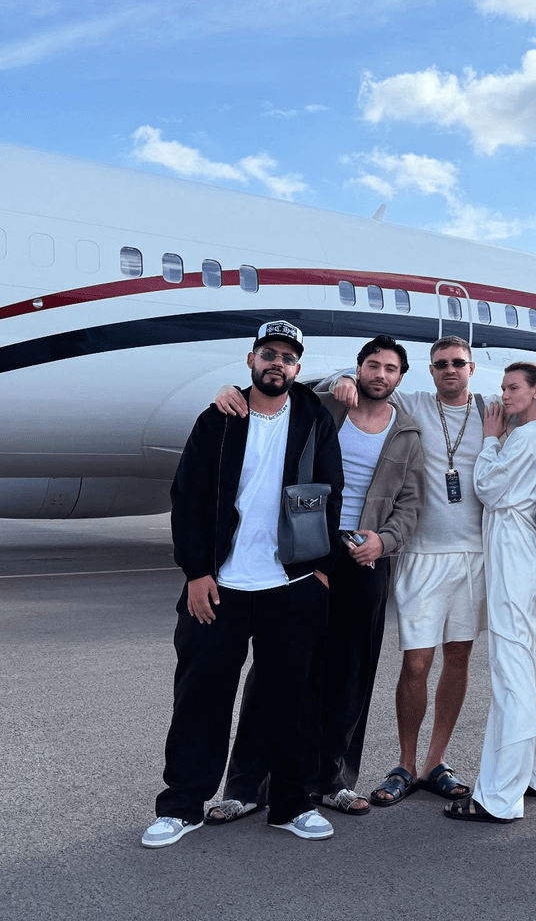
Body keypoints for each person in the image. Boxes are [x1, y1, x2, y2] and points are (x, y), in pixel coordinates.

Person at [327, 336, 536, 807]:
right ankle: (405, 764)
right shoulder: (412, 403)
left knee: (459, 658)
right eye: (441, 364)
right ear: (430, 371)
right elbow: (368, 388)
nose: (450, 370)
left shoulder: (493, 408)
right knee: (415, 663)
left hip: (475, 556)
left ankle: (435, 762)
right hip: (422, 555)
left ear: (471, 369)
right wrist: (343, 378)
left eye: (458, 363)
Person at [141, 321, 343, 847]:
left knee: (290, 702)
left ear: (298, 368)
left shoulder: (314, 418)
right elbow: (187, 497)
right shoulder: (219, 418)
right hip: (220, 587)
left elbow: (332, 491)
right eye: (269, 354)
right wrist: (196, 572)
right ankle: (182, 806)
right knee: (200, 700)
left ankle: (291, 804)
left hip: (291, 585)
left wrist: (322, 570)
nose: (278, 363)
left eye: (288, 357)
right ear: (252, 359)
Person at [206, 335, 425, 820]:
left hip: (365, 559)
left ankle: (333, 781)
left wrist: (384, 541)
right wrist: (229, 391)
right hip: (306, 554)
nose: (380, 375)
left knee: (351, 674)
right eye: (372, 365)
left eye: (390, 369)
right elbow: (273, 393)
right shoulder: (324, 405)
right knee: (276, 671)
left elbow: (411, 504)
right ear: (358, 368)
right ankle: (247, 786)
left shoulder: (407, 432)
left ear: (400, 378)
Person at [444, 362, 536, 823]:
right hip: (529, 551)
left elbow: (487, 488)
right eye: (503, 388)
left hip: (513, 551)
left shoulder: (525, 438)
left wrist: (489, 439)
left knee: (512, 667)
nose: (504, 395)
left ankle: (499, 794)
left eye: (513, 387)